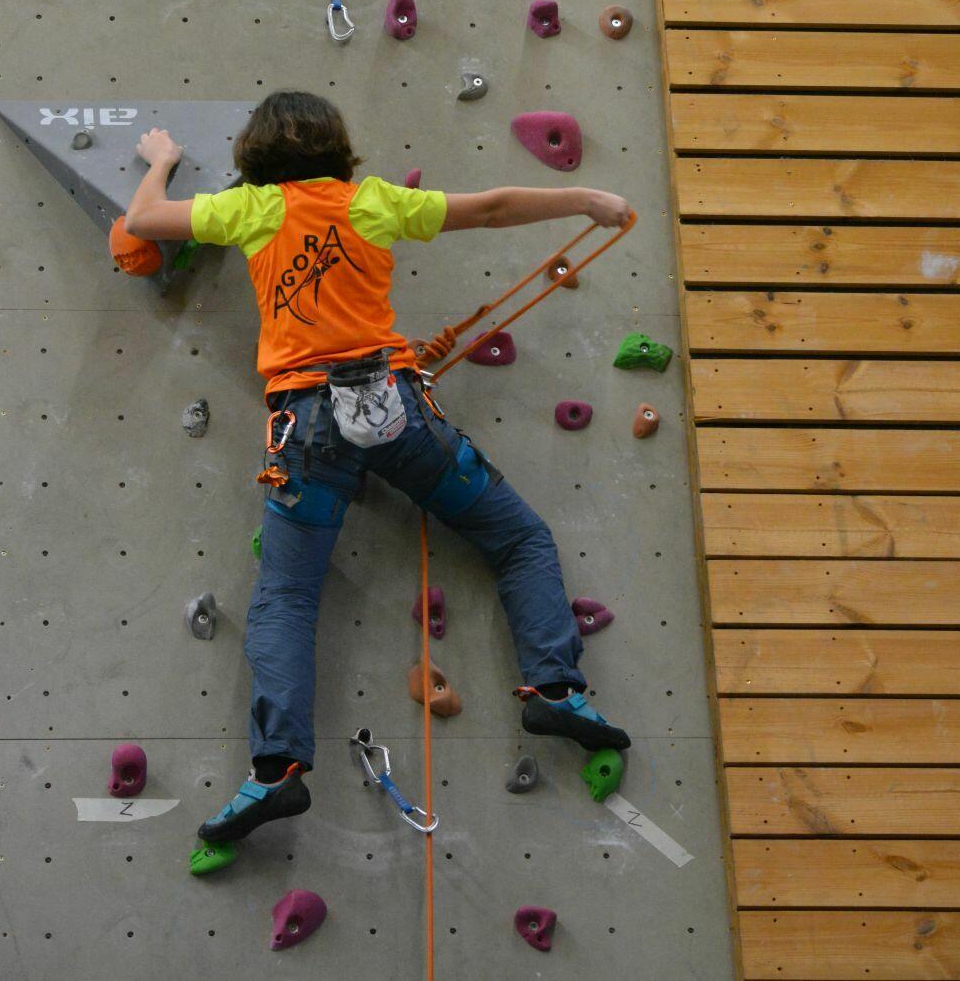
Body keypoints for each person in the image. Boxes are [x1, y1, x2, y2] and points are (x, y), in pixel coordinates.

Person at [124, 89, 633, 844]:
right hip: (393, 411)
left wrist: (161, 160)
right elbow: (491, 208)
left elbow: (142, 222)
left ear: (256, 154)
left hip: (305, 425)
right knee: (518, 538)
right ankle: (555, 689)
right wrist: (585, 198)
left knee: (287, 595)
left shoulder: (250, 210)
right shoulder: (370, 202)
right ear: (335, 145)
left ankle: (275, 771)